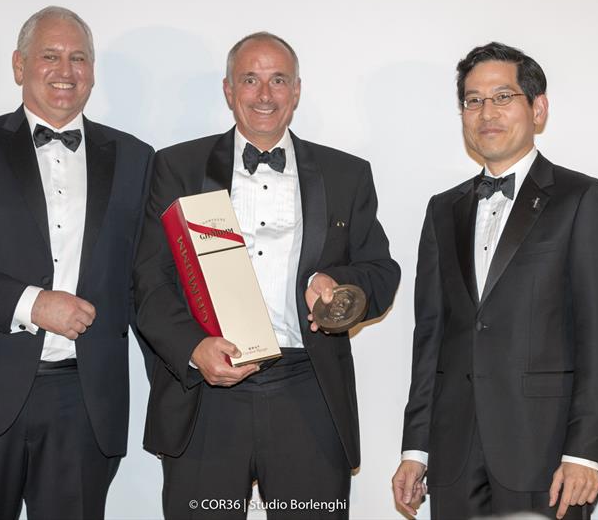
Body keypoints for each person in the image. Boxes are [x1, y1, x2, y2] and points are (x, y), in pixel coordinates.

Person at [134, 31, 400, 519]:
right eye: (250, 80)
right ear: (228, 89)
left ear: (297, 90)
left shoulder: (347, 174)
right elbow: (147, 283)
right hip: (206, 396)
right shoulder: (177, 166)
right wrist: (193, 347)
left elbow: (381, 271)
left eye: (278, 80)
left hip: (308, 390)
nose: (264, 94)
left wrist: (343, 290)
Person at [0, 6, 153, 519]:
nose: (66, 70)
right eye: (50, 56)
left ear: (92, 70)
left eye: (79, 58)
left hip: (85, 404)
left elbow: (150, 280)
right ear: (20, 66)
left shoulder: (137, 158)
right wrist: (33, 304)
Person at [392, 42, 598, 519]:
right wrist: (416, 450)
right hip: (453, 453)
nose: (486, 112)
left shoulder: (583, 199)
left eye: (503, 97)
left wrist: (585, 452)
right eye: (473, 100)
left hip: (545, 452)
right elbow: (430, 339)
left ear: (537, 108)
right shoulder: (443, 209)